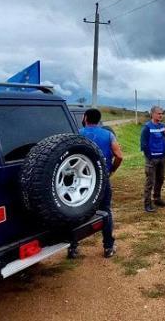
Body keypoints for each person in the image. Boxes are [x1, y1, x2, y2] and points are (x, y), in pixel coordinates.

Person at [68, 108, 123, 259]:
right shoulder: (108, 135)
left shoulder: (77, 134)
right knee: (105, 211)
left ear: (85, 118)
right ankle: (108, 247)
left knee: (75, 212)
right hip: (102, 179)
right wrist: (111, 169)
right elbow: (119, 155)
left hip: (81, 181)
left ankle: (73, 248)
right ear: (99, 120)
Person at [140, 106, 165, 212]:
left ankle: (157, 199)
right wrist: (150, 156)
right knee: (150, 181)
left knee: (160, 179)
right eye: (158, 113)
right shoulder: (147, 127)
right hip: (152, 159)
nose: (160, 115)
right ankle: (147, 204)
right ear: (152, 114)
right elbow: (143, 144)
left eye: (162, 113)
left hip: (162, 157)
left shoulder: (163, 126)